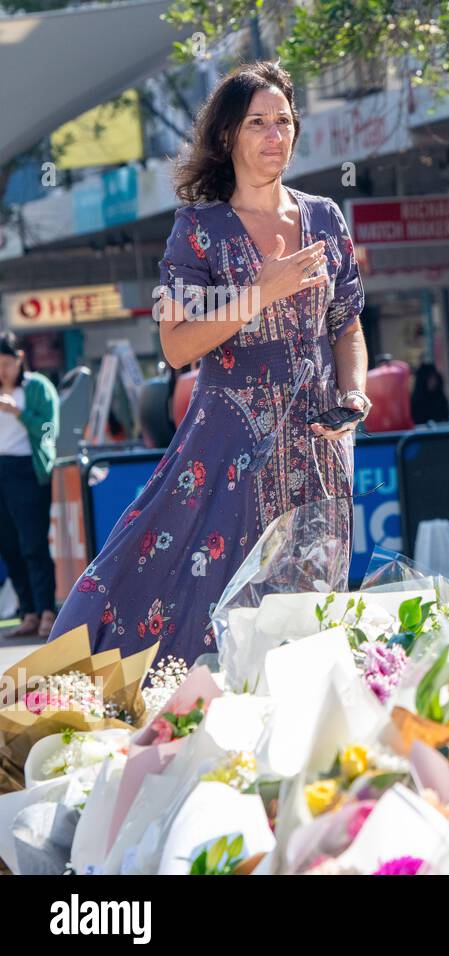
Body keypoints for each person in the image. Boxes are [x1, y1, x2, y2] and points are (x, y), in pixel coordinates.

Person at [49, 61, 367, 663]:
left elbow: (347, 322)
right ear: (228, 136)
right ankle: (171, 710)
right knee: (202, 595)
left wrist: (354, 394)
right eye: (257, 124)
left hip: (317, 448)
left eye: (284, 121)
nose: (276, 136)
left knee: (310, 604)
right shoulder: (196, 230)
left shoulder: (325, 217)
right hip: (227, 447)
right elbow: (176, 346)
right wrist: (260, 293)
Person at [0, 334, 59, 639]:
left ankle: (47, 609)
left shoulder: (36, 387)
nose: (3, 371)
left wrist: (19, 413)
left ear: (20, 359)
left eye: (7, 364)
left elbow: (50, 429)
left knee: (33, 543)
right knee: (9, 546)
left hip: (27, 469)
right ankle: (28, 611)